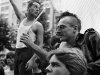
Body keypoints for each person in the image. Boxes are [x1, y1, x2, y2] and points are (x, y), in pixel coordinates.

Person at [20, 11, 100, 75]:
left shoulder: (90, 36)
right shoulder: (59, 46)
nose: (57, 31)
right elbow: (48, 60)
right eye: (57, 28)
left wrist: (76, 69)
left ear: (75, 28)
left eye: (62, 27)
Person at [9, 0, 44, 75]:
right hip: (17, 52)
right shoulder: (22, 18)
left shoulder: (38, 25)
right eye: (35, 7)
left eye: (39, 8)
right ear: (28, 8)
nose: (38, 9)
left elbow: (40, 45)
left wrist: (32, 59)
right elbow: (14, 5)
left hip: (27, 52)